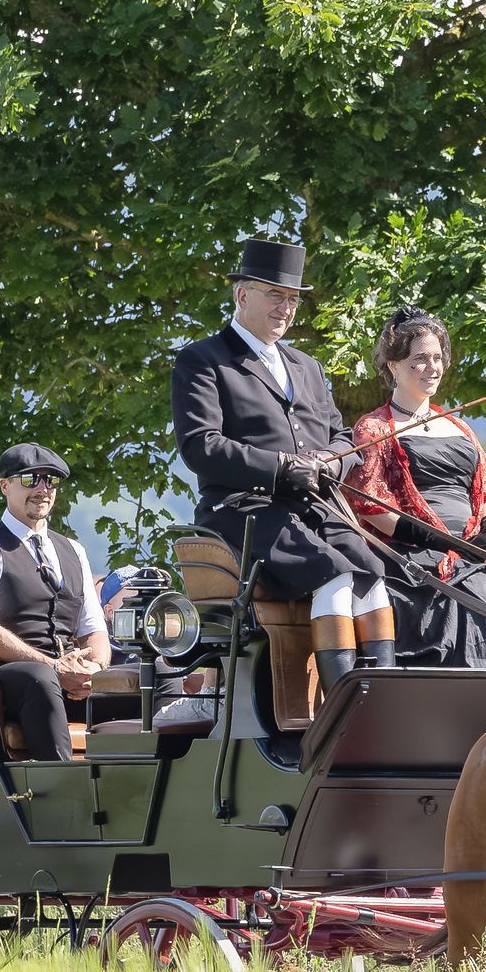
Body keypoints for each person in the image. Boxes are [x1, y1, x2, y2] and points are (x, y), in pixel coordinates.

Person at [171, 238, 396, 689]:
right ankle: (341, 712)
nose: (286, 307)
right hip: (243, 510)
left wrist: (331, 463)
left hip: (315, 507)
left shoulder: (307, 367)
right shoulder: (204, 360)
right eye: (275, 295)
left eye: (292, 299)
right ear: (242, 295)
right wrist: (279, 466)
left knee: (373, 579)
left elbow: (338, 435)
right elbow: (201, 446)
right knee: (334, 574)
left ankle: (383, 703)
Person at [344, 306, 486, 669]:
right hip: (413, 554)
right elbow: (371, 507)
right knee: (471, 596)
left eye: (437, 357)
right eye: (419, 359)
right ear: (393, 366)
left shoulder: (459, 428)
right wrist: (441, 542)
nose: (432, 367)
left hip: (475, 550)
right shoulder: (373, 428)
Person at [0, 443, 110, 761]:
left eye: (51, 480)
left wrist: (97, 670)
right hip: (13, 678)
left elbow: (93, 628)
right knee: (41, 679)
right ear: (4, 485)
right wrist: (52, 666)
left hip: (71, 676)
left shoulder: (73, 550)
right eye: (30, 479)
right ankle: (64, 792)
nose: (42, 488)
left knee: (149, 681)